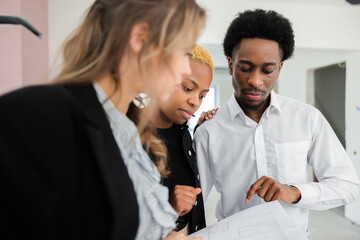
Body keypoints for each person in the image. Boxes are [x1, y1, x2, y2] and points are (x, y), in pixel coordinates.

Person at [0, 0, 206, 239]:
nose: (185, 69)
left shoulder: (126, 130)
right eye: (183, 52)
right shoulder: (33, 115)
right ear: (140, 39)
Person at [194, 9, 360, 232]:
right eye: (245, 68)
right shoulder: (209, 130)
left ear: (279, 68)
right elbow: (193, 199)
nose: (256, 81)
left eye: (268, 70)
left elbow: (347, 186)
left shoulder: (307, 119)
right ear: (231, 64)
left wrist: (294, 192)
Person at [149, 45, 215, 234]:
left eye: (202, 95)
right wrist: (168, 208)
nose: (195, 101)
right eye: (188, 88)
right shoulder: (132, 138)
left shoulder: (184, 135)